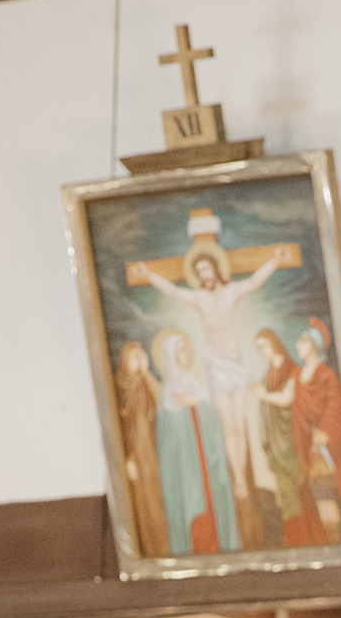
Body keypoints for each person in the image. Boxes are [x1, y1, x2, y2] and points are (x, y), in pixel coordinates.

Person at [129, 234, 292, 502]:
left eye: (206, 268)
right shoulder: (198, 298)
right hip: (215, 366)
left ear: (216, 269)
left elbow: (254, 281)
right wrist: (148, 275)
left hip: (234, 363)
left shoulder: (232, 292)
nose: (204, 274)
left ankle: (242, 477)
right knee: (228, 425)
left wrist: (274, 261)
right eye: (199, 271)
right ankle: (239, 479)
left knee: (239, 423)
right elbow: (172, 291)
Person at [151, 327, 239, 555]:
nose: (186, 354)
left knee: (213, 506)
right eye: (181, 351)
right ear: (170, 357)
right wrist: (188, 410)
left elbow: (213, 419)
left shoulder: (194, 383)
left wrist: (197, 404)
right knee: (195, 514)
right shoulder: (167, 392)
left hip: (205, 461)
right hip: (186, 468)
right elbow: (166, 437)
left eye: (186, 350)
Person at [252, 327, 326, 548]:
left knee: (299, 489)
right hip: (276, 444)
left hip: (291, 440)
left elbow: (288, 399)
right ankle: (296, 539)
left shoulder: (291, 370)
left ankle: (310, 537)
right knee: (286, 492)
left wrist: (264, 395)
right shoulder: (267, 374)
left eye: (263, 346)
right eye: (258, 349)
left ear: (274, 344)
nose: (261, 352)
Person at [291, 319, 341, 539]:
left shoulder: (326, 375)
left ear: (314, 345)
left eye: (302, 341)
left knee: (332, 494)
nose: (297, 345)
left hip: (328, 447)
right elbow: (287, 397)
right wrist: (261, 394)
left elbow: (335, 405)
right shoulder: (297, 375)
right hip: (312, 449)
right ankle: (332, 539)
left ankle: (338, 538)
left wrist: (325, 431)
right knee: (322, 497)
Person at [114, 338, 169, 558]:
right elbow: (121, 425)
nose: (138, 361)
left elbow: (162, 402)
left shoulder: (147, 383)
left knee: (159, 494)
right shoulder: (119, 386)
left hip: (154, 448)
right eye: (134, 357)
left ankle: (165, 542)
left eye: (141, 356)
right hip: (136, 453)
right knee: (143, 499)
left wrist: (146, 374)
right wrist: (127, 458)